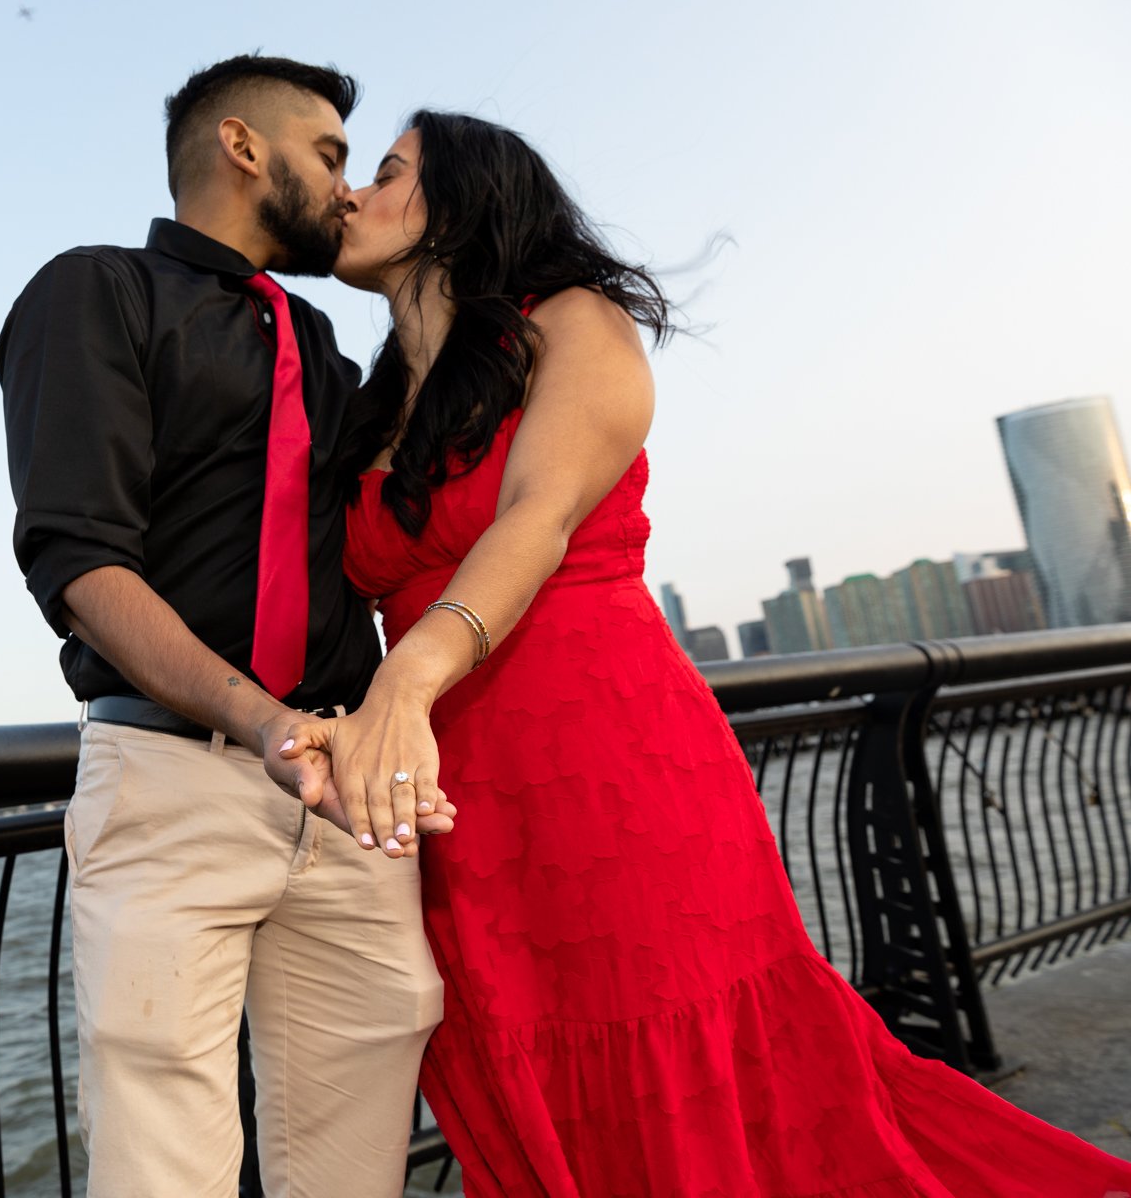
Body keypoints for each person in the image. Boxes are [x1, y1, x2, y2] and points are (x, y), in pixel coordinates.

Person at [283, 109, 1131, 1196]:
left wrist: (407, 677)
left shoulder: (572, 322)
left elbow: (533, 522)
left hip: (611, 763)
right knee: (518, 1067)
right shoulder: (374, 406)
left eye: (387, 172)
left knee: (679, 1066)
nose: (349, 195)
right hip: (453, 801)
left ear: (468, 199)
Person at [0, 56, 453, 1197]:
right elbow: (78, 559)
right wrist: (261, 724)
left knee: (355, 1167)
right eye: (333, 156)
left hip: (343, 797)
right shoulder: (94, 290)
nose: (347, 191)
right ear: (244, 147)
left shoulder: (330, 350)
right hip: (172, 781)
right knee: (164, 1170)